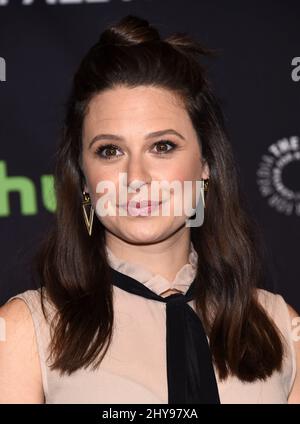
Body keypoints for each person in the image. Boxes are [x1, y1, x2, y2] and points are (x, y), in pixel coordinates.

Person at [0, 14, 299, 404]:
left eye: (162, 146)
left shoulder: (280, 327)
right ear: (83, 176)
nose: (135, 176)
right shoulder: (25, 330)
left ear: (206, 166)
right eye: (110, 151)